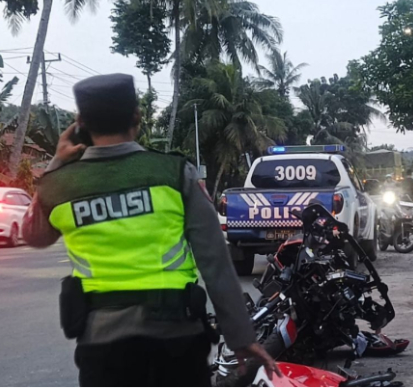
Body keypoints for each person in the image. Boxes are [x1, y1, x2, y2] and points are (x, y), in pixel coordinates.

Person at [22, 74, 280, 386]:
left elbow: (33, 235)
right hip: (177, 339)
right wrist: (241, 336)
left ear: (81, 124)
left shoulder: (60, 185)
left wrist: (56, 163)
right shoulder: (175, 173)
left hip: (102, 345)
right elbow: (215, 261)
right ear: (137, 116)